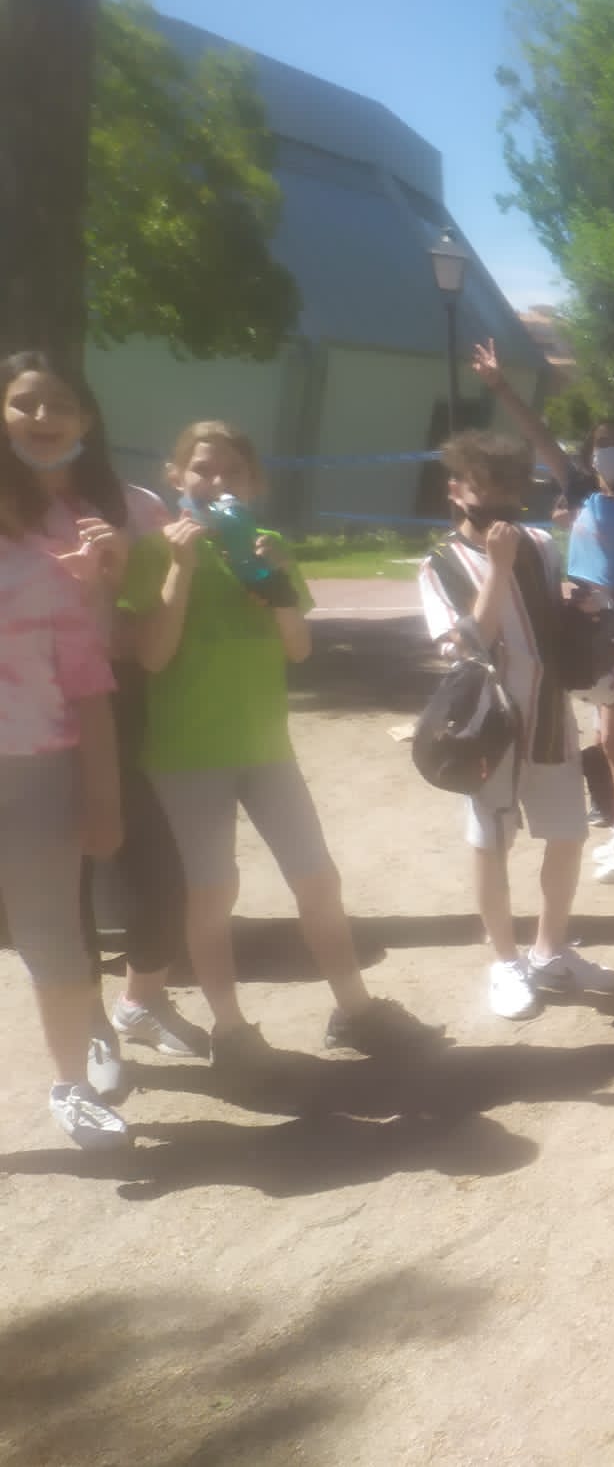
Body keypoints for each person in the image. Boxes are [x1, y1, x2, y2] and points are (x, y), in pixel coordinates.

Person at [121, 423, 432, 1077]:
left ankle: (354, 1010)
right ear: (176, 478)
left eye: (233, 472)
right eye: (203, 470)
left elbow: (298, 647)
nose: (217, 483)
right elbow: (151, 656)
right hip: (187, 753)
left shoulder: (269, 545)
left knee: (318, 879)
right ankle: (231, 1029)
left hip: (265, 747)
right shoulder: (151, 552)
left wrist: (276, 584)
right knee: (213, 893)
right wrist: (181, 567)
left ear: (254, 483)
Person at [3, 351, 203, 1096]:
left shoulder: (133, 507)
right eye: (25, 403)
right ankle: (89, 1030)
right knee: (66, 895)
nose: (43, 418)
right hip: (27, 726)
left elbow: (157, 624)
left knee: (160, 879)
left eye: (60, 404)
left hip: (115, 708)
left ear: (87, 419)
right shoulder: (5, 511)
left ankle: (141, 1003)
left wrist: (119, 583)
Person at [417, 430, 614, 1022]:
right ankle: (505, 961)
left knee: (568, 834)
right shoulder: (438, 564)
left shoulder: (540, 543)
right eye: (484, 486)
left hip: (550, 712)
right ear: (457, 490)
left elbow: (549, 621)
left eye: (509, 487)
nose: (499, 500)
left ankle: (550, 951)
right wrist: (498, 569)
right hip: (487, 722)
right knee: (491, 843)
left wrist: (581, 608)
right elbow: (466, 644)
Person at [469, 340, 614, 887]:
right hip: (582, 630)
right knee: (611, 738)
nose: (610, 452)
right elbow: (537, 435)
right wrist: (501, 386)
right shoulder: (579, 491)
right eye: (601, 444)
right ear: (588, 453)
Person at [0, 438, 130, 1148]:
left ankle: (73, 1086)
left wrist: (103, 800)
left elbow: (90, 695)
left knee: (54, 941)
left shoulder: (45, 575)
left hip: (38, 783)